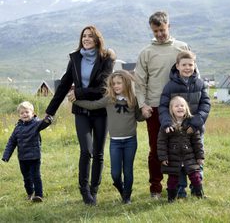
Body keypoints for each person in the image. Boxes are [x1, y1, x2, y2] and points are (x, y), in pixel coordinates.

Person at [45, 25, 116, 205]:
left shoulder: (106, 59)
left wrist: (78, 93)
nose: (86, 39)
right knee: (86, 151)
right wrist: (50, 112)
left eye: (90, 36)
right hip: (81, 112)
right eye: (84, 36)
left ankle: (94, 190)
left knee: (98, 153)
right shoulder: (75, 58)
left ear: (97, 39)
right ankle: (84, 191)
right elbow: (63, 85)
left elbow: (102, 88)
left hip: (100, 112)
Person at [134, 11, 190, 199]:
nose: (159, 34)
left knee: (181, 148)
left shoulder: (181, 48)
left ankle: (177, 187)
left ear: (169, 26)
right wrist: (143, 105)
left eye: (162, 30)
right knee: (156, 149)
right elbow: (139, 82)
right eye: (155, 30)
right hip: (155, 107)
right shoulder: (146, 53)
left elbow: (192, 73)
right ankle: (155, 188)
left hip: (178, 108)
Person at [70, 70, 144, 204]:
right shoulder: (109, 99)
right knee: (115, 174)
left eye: (119, 83)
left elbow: (139, 117)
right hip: (115, 142)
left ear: (126, 83)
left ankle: (127, 197)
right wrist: (76, 102)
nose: (116, 86)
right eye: (113, 83)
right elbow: (93, 105)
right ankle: (121, 188)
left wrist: (146, 114)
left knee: (128, 171)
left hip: (130, 141)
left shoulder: (133, 99)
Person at [158, 50, 211, 197]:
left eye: (190, 64)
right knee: (178, 162)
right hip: (176, 131)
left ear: (195, 66)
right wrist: (167, 122)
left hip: (194, 130)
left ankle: (197, 188)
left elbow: (205, 104)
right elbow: (163, 106)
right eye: (184, 65)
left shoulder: (200, 84)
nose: (187, 67)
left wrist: (196, 123)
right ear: (177, 66)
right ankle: (181, 189)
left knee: (196, 158)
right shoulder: (170, 86)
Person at [2, 101, 53, 202]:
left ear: (33, 113)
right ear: (19, 115)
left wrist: (48, 120)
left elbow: (44, 123)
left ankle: (39, 195)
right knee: (26, 178)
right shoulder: (17, 128)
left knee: (36, 176)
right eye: (22, 113)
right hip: (22, 158)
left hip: (34, 157)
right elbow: (11, 142)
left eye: (26, 112)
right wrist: (6, 156)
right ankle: (30, 193)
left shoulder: (36, 124)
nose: (24, 114)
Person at [157, 96, 205, 202]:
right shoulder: (167, 125)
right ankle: (171, 198)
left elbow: (197, 142)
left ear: (186, 108)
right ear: (171, 109)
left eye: (182, 105)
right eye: (176, 106)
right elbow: (161, 142)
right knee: (173, 180)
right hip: (173, 158)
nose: (180, 108)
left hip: (190, 157)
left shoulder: (191, 124)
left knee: (195, 177)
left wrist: (200, 157)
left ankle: (199, 195)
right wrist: (163, 157)